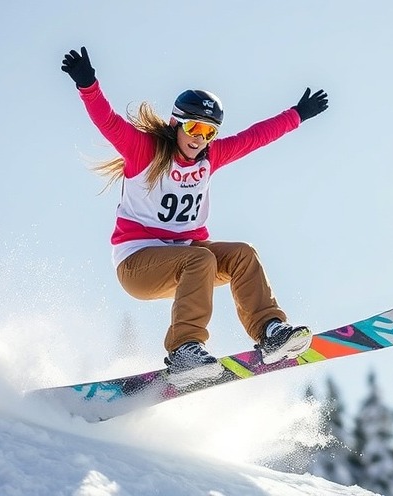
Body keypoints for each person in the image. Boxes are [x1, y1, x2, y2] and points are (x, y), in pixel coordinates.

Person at [60, 46, 329, 388]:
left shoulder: (209, 158)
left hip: (186, 261)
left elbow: (254, 138)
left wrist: (297, 114)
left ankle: (270, 332)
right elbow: (109, 123)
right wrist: (88, 85)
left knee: (242, 254)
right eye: (194, 128)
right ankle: (185, 350)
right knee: (200, 258)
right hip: (136, 264)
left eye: (209, 132)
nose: (199, 139)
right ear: (176, 125)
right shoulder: (144, 151)